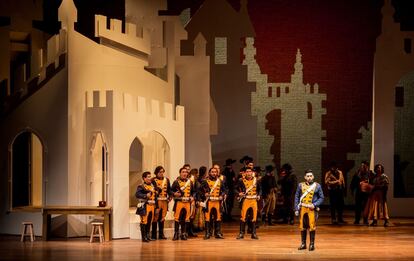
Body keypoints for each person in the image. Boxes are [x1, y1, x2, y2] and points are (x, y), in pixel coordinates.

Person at [295, 169, 324, 251]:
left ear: (313, 176)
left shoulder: (317, 186)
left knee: (312, 226)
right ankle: (303, 243)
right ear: (305, 177)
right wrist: (296, 209)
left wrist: (314, 204)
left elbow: (321, 198)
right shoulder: (300, 185)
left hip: (312, 209)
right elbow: (296, 197)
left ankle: (312, 244)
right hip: (303, 208)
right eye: (308, 176)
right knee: (302, 226)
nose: (309, 177)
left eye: (311, 176)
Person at [200, 167, 226, 239]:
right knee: (208, 218)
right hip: (209, 202)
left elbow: (224, 190)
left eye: (215, 172)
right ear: (209, 173)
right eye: (212, 172)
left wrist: (222, 195)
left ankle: (217, 233)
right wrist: (204, 194)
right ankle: (208, 233)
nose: (214, 173)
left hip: (217, 202)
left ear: (217, 173)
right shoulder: (205, 181)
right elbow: (199, 191)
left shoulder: (220, 181)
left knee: (218, 217)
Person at [235, 167, 261, 240]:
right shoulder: (241, 180)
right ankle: (241, 233)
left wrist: (259, 195)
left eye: (250, 171)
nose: (248, 173)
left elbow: (260, 189)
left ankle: (254, 233)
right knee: (243, 217)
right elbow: (235, 189)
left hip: (254, 200)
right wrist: (238, 193)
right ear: (245, 173)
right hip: (246, 200)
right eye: (247, 171)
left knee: (254, 217)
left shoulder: (256, 180)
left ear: (252, 172)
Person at [171, 167, 195, 240]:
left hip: (187, 202)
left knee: (186, 219)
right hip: (179, 202)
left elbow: (193, 192)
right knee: (177, 219)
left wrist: (192, 197)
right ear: (180, 173)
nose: (185, 173)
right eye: (183, 172)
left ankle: (183, 233)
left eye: (186, 172)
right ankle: (176, 233)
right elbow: (170, 191)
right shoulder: (176, 182)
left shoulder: (190, 182)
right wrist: (174, 193)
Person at [135, 171, 158, 243]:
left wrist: (156, 207)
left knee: (149, 221)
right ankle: (144, 237)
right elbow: (137, 194)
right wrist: (145, 196)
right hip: (145, 205)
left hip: (152, 206)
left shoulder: (153, 186)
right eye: (148, 177)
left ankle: (148, 235)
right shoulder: (141, 186)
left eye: (150, 176)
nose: (150, 178)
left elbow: (155, 197)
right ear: (144, 178)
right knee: (143, 221)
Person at [151, 166, 171, 240]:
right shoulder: (153, 180)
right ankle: (153, 235)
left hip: (164, 201)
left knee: (162, 217)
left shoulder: (167, 180)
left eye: (162, 172)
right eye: (160, 172)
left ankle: (161, 234)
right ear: (156, 172)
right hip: (157, 201)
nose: (161, 173)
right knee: (155, 218)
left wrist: (170, 197)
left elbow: (169, 190)